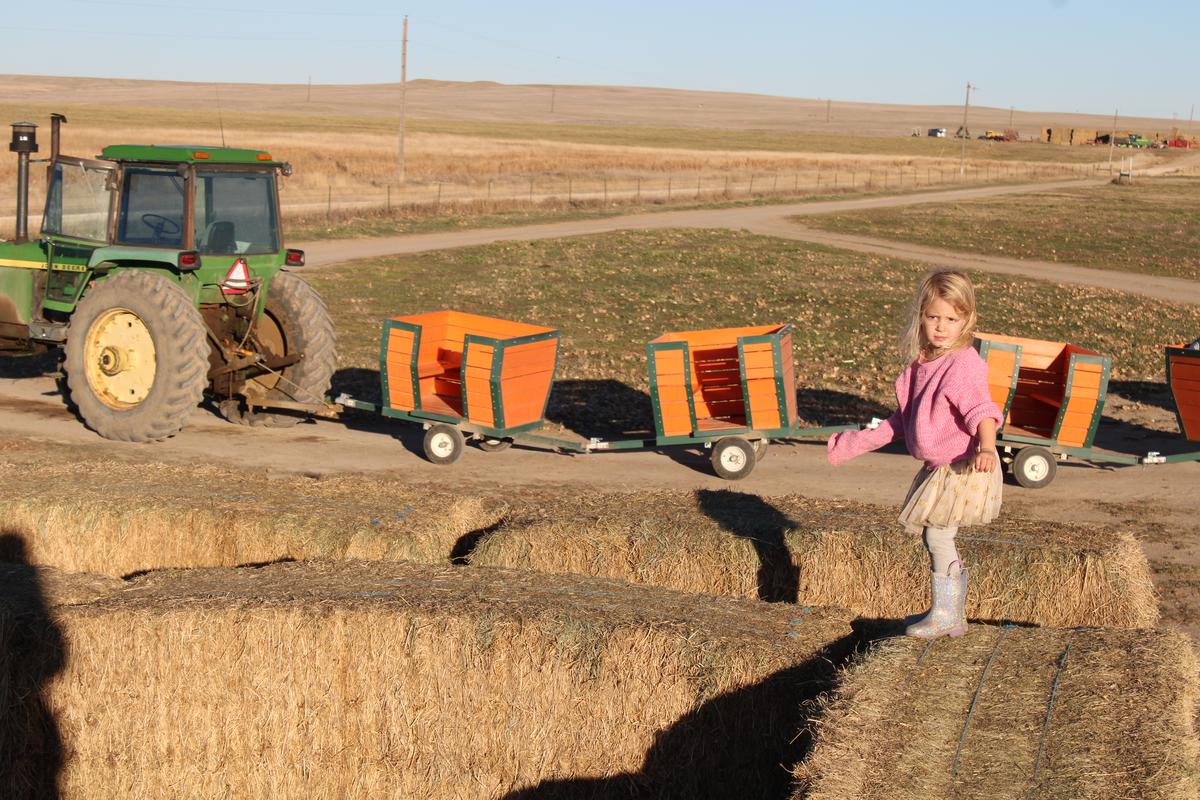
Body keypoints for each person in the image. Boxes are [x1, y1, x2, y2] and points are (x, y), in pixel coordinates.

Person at [826, 268, 1003, 639]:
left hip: (962, 467)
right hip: (938, 468)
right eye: (933, 317)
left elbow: (982, 411)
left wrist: (987, 447)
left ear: (967, 320)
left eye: (951, 319)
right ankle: (948, 611)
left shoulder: (962, 364)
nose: (941, 327)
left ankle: (947, 616)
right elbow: (901, 422)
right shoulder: (921, 367)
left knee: (938, 537)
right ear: (921, 315)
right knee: (933, 536)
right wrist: (854, 443)